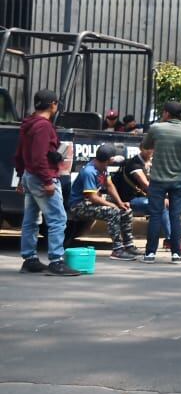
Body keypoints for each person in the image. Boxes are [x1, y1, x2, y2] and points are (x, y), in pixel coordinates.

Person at [13, 89, 79, 275]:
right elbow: (38, 157)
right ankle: (56, 261)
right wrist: (48, 181)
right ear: (53, 105)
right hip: (41, 177)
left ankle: (30, 259)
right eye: (56, 104)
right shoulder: (43, 126)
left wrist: (21, 176)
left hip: (30, 175)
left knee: (31, 219)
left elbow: (20, 153)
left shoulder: (29, 124)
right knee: (58, 218)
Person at [141, 99, 181, 264]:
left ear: (167, 113)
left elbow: (145, 145)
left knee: (155, 215)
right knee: (175, 217)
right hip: (179, 180)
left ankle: (150, 253)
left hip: (157, 179)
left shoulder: (156, 128)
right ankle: (176, 254)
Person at [68, 144, 139, 260]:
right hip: (79, 205)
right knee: (113, 212)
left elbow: (109, 185)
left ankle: (129, 245)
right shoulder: (89, 171)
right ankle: (117, 250)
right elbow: (92, 197)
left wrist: (120, 203)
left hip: (91, 203)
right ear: (109, 159)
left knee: (126, 210)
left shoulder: (103, 168)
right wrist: (112, 205)